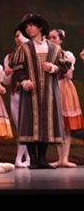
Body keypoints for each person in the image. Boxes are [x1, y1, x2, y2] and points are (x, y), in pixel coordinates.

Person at [9, 13, 69, 169]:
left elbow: (64, 66)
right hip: (31, 92)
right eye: (27, 27)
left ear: (40, 27)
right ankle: (33, 159)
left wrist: (53, 67)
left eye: (31, 26)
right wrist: (24, 81)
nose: (28, 29)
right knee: (30, 122)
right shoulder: (24, 48)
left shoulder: (54, 48)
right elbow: (18, 68)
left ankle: (42, 158)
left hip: (49, 92)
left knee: (47, 122)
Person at [48, 28, 83, 168]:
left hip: (64, 88)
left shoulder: (67, 54)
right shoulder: (46, 56)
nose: (51, 40)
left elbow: (69, 75)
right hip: (52, 88)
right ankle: (59, 158)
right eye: (50, 37)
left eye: (54, 37)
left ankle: (65, 158)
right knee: (57, 126)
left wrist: (64, 63)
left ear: (60, 40)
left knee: (66, 126)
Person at [3, 30, 31, 167]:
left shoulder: (32, 55)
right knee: (20, 128)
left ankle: (20, 158)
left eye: (22, 35)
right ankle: (27, 158)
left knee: (26, 127)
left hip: (29, 95)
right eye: (16, 35)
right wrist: (7, 73)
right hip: (15, 94)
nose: (19, 38)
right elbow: (6, 81)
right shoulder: (9, 57)